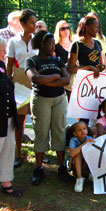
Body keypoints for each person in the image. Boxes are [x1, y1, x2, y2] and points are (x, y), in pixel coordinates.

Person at [25, 30, 70, 185]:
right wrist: (55, 76)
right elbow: (35, 78)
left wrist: (47, 80)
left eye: (53, 43)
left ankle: (61, 166)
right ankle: (38, 168)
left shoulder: (57, 59)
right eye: (50, 44)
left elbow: (67, 79)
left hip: (59, 99)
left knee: (59, 131)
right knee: (41, 132)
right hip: (41, 100)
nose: (53, 46)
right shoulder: (32, 61)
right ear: (41, 44)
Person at [6, 9, 38, 168]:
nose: (34, 25)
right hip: (18, 78)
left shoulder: (37, 40)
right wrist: (9, 81)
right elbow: (9, 63)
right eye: (31, 22)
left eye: (35, 22)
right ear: (23, 24)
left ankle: (40, 153)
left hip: (35, 78)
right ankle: (18, 154)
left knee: (38, 118)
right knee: (19, 119)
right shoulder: (13, 41)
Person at [68, 16, 105, 125]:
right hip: (83, 85)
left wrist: (99, 67)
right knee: (84, 117)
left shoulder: (98, 43)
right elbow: (71, 68)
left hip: (97, 84)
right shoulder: (76, 45)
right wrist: (89, 68)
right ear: (87, 27)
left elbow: (100, 63)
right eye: (95, 27)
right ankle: (82, 140)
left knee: (98, 115)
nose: (97, 30)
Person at [0, 37, 22, 197]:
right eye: (2, 50)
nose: (4, 53)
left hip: (7, 116)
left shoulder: (1, 66)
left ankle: (6, 182)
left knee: (8, 150)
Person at [68, 121, 95, 192]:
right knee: (78, 153)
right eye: (79, 130)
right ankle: (79, 178)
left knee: (91, 152)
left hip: (86, 163)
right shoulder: (73, 140)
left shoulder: (90, 138)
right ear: (75, 134)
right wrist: (85, 144)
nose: (82, 131)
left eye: (84, 128)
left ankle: (91, 174)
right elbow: (72, 154)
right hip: (73, 164)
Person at [54, 20, 73, 100]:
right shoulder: (55, 47)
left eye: (67, 28)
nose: (66, 30)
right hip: (62, 78)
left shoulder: (75, 44)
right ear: (58, 31)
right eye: (63, 29)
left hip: (75, 77)